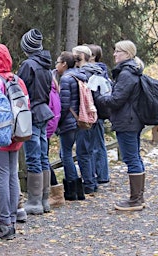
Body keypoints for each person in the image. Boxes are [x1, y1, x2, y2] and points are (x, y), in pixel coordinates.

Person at [93, 40, 145, 211]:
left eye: (118, 51)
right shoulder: (130, 72)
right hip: (131, 120)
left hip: (127, 122)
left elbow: (116, 100)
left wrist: (98, 96)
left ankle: (136, 200)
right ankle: (138, 198)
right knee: (134, 157)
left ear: (127, 54)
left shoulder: (126, 74)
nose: (114, 54)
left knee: (131, 158)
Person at [0, 43, 29, 240]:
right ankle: (11, 217)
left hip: (1, 137)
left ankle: (4, 223)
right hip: (18, 135)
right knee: (13, 177)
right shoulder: (18, 80)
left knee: (1, 179)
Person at [17, 28, 54, 215]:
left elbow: (20, 90)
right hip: (43, 112)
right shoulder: (46, 65)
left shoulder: (28, 65)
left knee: (33, 156)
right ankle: (44, 199)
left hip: (31, 113)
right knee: (43, 156)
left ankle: (34, 201)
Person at [55, 51, 87, 201]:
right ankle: (77, 189)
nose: (56, 66)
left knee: (65, 154)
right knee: (67, 153)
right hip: (77, 119)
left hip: (68, 120)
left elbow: (64, 104)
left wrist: (57, 122)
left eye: (58, 62)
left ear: (64, 64)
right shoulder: (79, 76)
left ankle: (72, 189)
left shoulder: (66, 79)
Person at [71, 45, 98, 194]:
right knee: (89, 150)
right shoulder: (96, 71)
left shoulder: (83, 73)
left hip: (85, 116)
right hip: (93, 116)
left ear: (81, 55)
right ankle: (92, 180)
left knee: (83, 151)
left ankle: (88, 183)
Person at [86, 44, 111, 184]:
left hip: (96, 113)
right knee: (95, 144)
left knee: (97, 144)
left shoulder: (98, 72)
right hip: (95, 112)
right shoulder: (99, 71)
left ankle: (101, 174)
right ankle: (99, 173)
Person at [46, 71, 65, 207]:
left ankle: (55, 192)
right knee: (43, 158)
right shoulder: (54, 89)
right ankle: (55, 192)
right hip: (51, 124)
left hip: (46, 125)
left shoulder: (49, 91)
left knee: (42, 159)